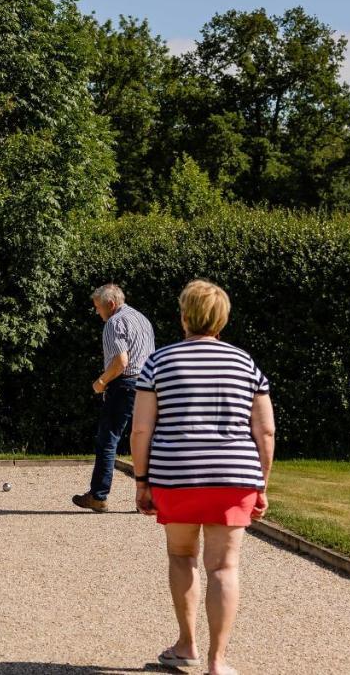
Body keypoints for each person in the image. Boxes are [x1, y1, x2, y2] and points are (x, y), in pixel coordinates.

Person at [130, 279, 276, 675]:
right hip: (233, 478)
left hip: (176, 475)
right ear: (222, 319)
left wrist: (142, 481)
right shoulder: (245, 363)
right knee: (224, 567)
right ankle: (218, 661)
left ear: (184, 317)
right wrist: (260, 484)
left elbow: (141, 429)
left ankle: (186, 644)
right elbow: (265, 431)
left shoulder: (158, 362)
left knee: (181, 555)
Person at [73, 283, 155, 512]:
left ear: (110, 304)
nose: (97, 312)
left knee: (108, 439)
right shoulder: (142, 319)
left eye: (98, 307)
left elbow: (121, 362)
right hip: (148, 385)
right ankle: (149, 498)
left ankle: (98, 495)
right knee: (144, 440)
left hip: (125, 385)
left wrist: (101, 381)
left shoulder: (114, 322)